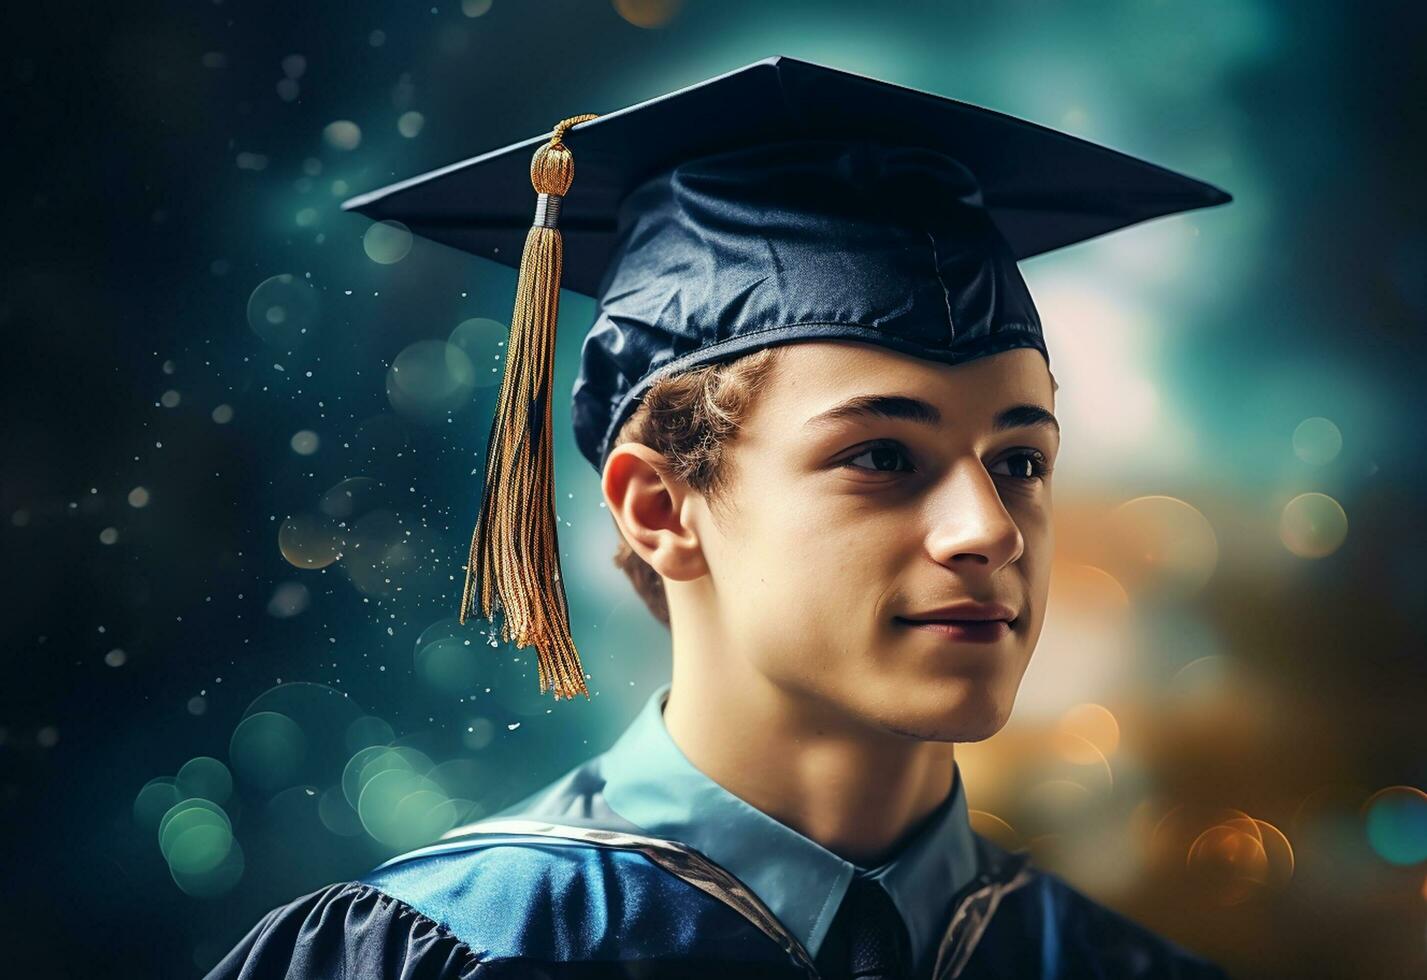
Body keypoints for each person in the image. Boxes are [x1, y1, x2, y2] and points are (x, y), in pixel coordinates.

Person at [207, 56, 1233, 979]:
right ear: (660, 508)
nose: (988, 529)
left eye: (1019, 459)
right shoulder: (448, 951)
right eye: (880, 455)